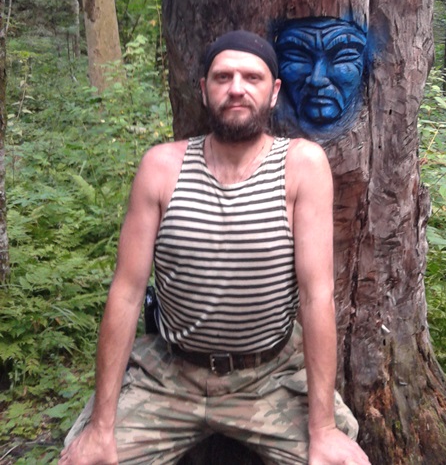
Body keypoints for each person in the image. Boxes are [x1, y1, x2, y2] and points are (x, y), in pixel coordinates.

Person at [59, 30, 370, 465]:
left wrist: (321, 429)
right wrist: (101, 427)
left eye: (252, 77)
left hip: (268, 376)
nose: (237, 88)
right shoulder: (161, 167)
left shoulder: (301, 165)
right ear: (204, 90)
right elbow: (127, 293)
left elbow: (317, 295)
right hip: (170, 374)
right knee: (86, 460)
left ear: (274, 92)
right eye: (223, 77)